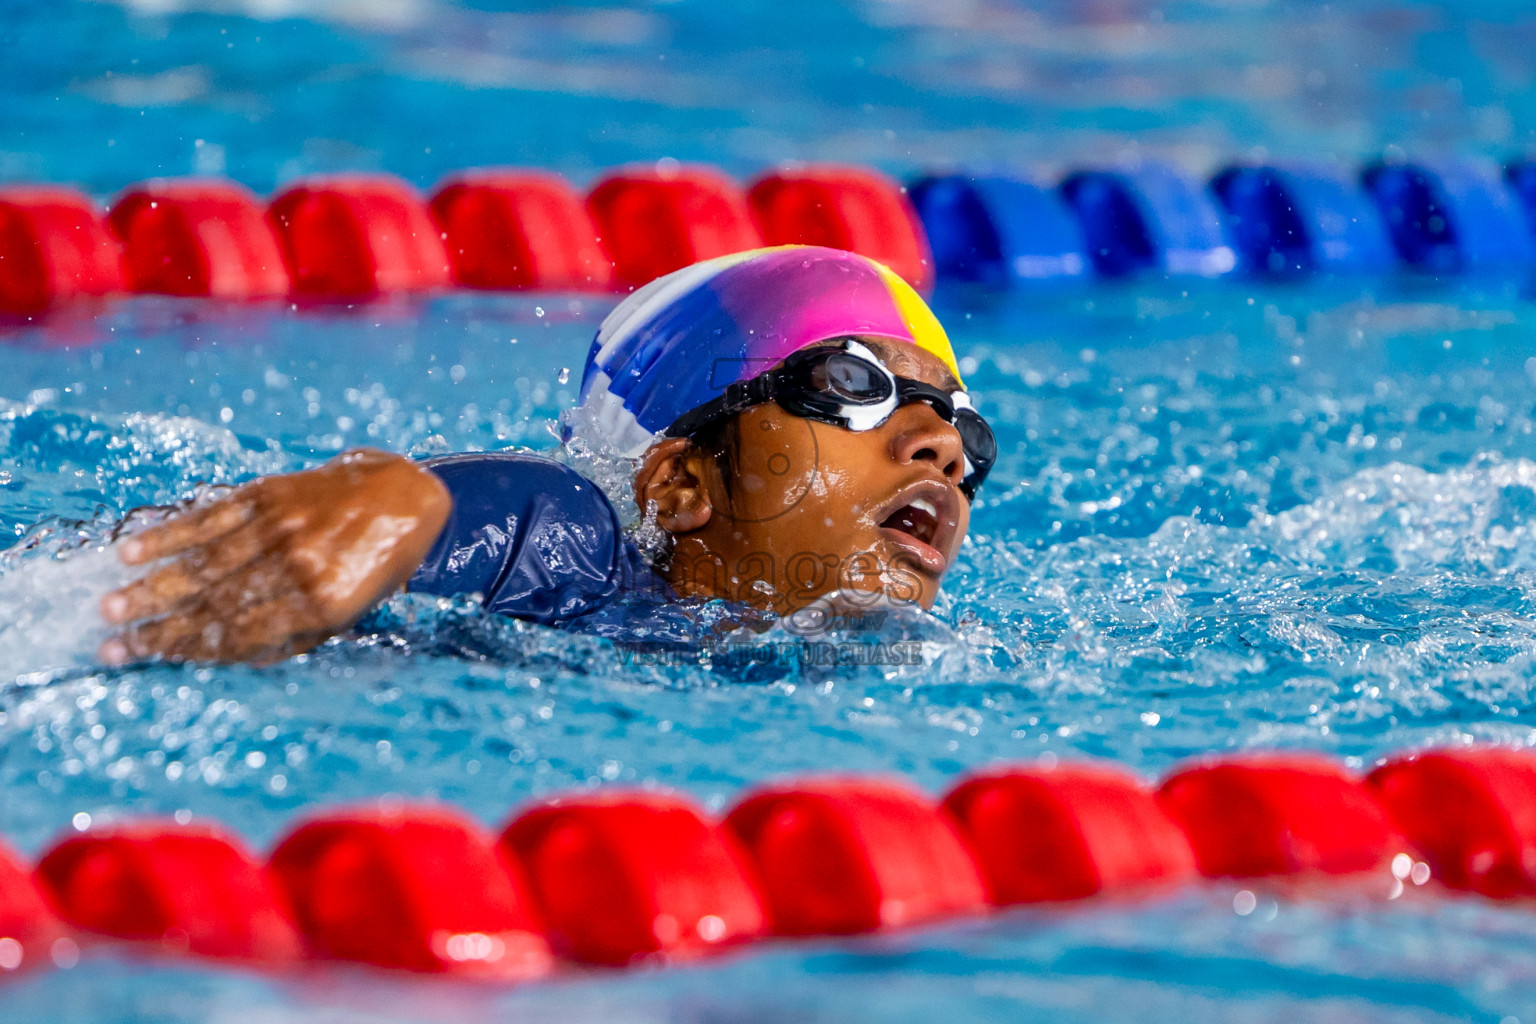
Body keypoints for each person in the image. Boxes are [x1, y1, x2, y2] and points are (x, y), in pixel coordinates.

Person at [95, 246, 996, 665]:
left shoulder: (936, 661)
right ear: (680, 482)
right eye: (852, 384)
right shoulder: (571, 540)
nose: (945, 446)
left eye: (965, 429)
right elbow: (441, 508)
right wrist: (385, 505)